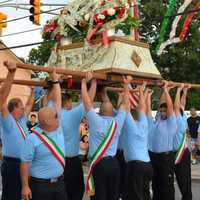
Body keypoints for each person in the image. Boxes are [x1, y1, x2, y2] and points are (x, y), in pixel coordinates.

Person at [46, 73, 96, 200]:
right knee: (75, 191)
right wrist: (94, 83)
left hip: (55, 159)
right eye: (70, 101)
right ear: (67, 102)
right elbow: (88, 100)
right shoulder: (72, 115)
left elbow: (51, 97)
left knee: (58, 192)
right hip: (71, 161)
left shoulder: (51, 110)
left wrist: (55, 82)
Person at [20, 70, 67, 200]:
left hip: (60, 183)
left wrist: (56, 82)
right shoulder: (32, 138)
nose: (59, 118)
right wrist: (25, 186)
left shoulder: (57, 128)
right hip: (40, 186)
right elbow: (24, 163)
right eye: (55, 117)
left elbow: (57, 101)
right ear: (46, 121)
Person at [82, 75, 131, 200]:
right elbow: (125, 104)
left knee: (99, 195)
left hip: (99, 164)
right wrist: (126, 84)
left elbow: (87, 103)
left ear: (99, 112)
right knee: (113, 195)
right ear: (111, 112)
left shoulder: (95, 121)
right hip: (114, 164)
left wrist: (84, 83)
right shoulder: (117, 122)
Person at [0, 61, 35, 200]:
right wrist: (11, 73)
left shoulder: (21, 120)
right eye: (20, 107)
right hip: (12, 164)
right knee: (11, 196)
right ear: (14, 108)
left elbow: (29, 105)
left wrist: (32, 91)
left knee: (23, 194)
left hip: (23, 163)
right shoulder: (7, 120)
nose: (23, 109)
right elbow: (1, 100)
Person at [122, 83, 153, 200]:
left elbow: (126, 104)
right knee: (145, 194)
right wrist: (141, 92)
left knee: (135, 195)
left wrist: (126, 87)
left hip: (136, 165)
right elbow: (142, 106)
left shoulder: (130, 125)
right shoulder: (144, 123)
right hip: (147, 164)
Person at [148, 81, 177, 200]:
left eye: (164, 111)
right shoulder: (158, 120)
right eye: (160, 111)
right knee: (155, 185)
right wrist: (164, 91)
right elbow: (162, 104)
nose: (162, 113)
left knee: (166, 186)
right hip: (154, 157)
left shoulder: (171, 122)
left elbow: (169, 106)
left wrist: (166, 90)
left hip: (166, 158)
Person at [173, 84, 192, 200]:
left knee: (183, 179)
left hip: (181, 153)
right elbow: (182, 104)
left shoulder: (179, 119)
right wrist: (184, 91)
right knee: (184, 180)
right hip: (182, 152)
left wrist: (178, 90)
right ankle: (187, 197)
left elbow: (177, 107)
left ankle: (187, 198)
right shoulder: (183, 116)